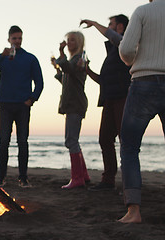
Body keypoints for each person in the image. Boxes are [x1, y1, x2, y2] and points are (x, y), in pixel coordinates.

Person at [118, 0, 165, 224]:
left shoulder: (143, 11)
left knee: (129, 147)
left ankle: (133, 211)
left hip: (144, 82)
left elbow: (126, 49)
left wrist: (133, 61)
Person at [0, 25, 44, 188]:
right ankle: (1, 177)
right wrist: (0, 56)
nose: (17, 41)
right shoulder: (3, 57)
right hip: (4, 104)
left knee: (22, 141)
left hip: (23, 106)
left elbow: (39, 82)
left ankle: (23, 178)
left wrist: (32, 99)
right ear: (9, 39)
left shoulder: (30, 58)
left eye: (19, 38)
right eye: (14, 38)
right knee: (3, 141)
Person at [79, 15, 131, 191]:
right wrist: (88, 71)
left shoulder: (125, 46)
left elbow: (112, 36)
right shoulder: (113, 52)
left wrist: (94, 24)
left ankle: (128, 183)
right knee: (105, 139)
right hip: (109, 99)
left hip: (122, 98)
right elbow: (104, 80)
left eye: (111, 25)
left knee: (125, 141)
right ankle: (108, 180)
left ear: (121, 27)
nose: (108, 28)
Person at [53, 31, 90, 189]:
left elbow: (71, 71)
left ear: (79, 42)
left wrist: (60, 54)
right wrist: (58, 71)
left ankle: (77, 178)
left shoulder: (79, 59)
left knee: (71, 140)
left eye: (72, 40)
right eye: (68, 40)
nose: (68, 43)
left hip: (75, 104)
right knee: (73, 140)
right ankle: (84, 176)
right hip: (74, 103)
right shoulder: (75, 59)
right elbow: (69, 80)